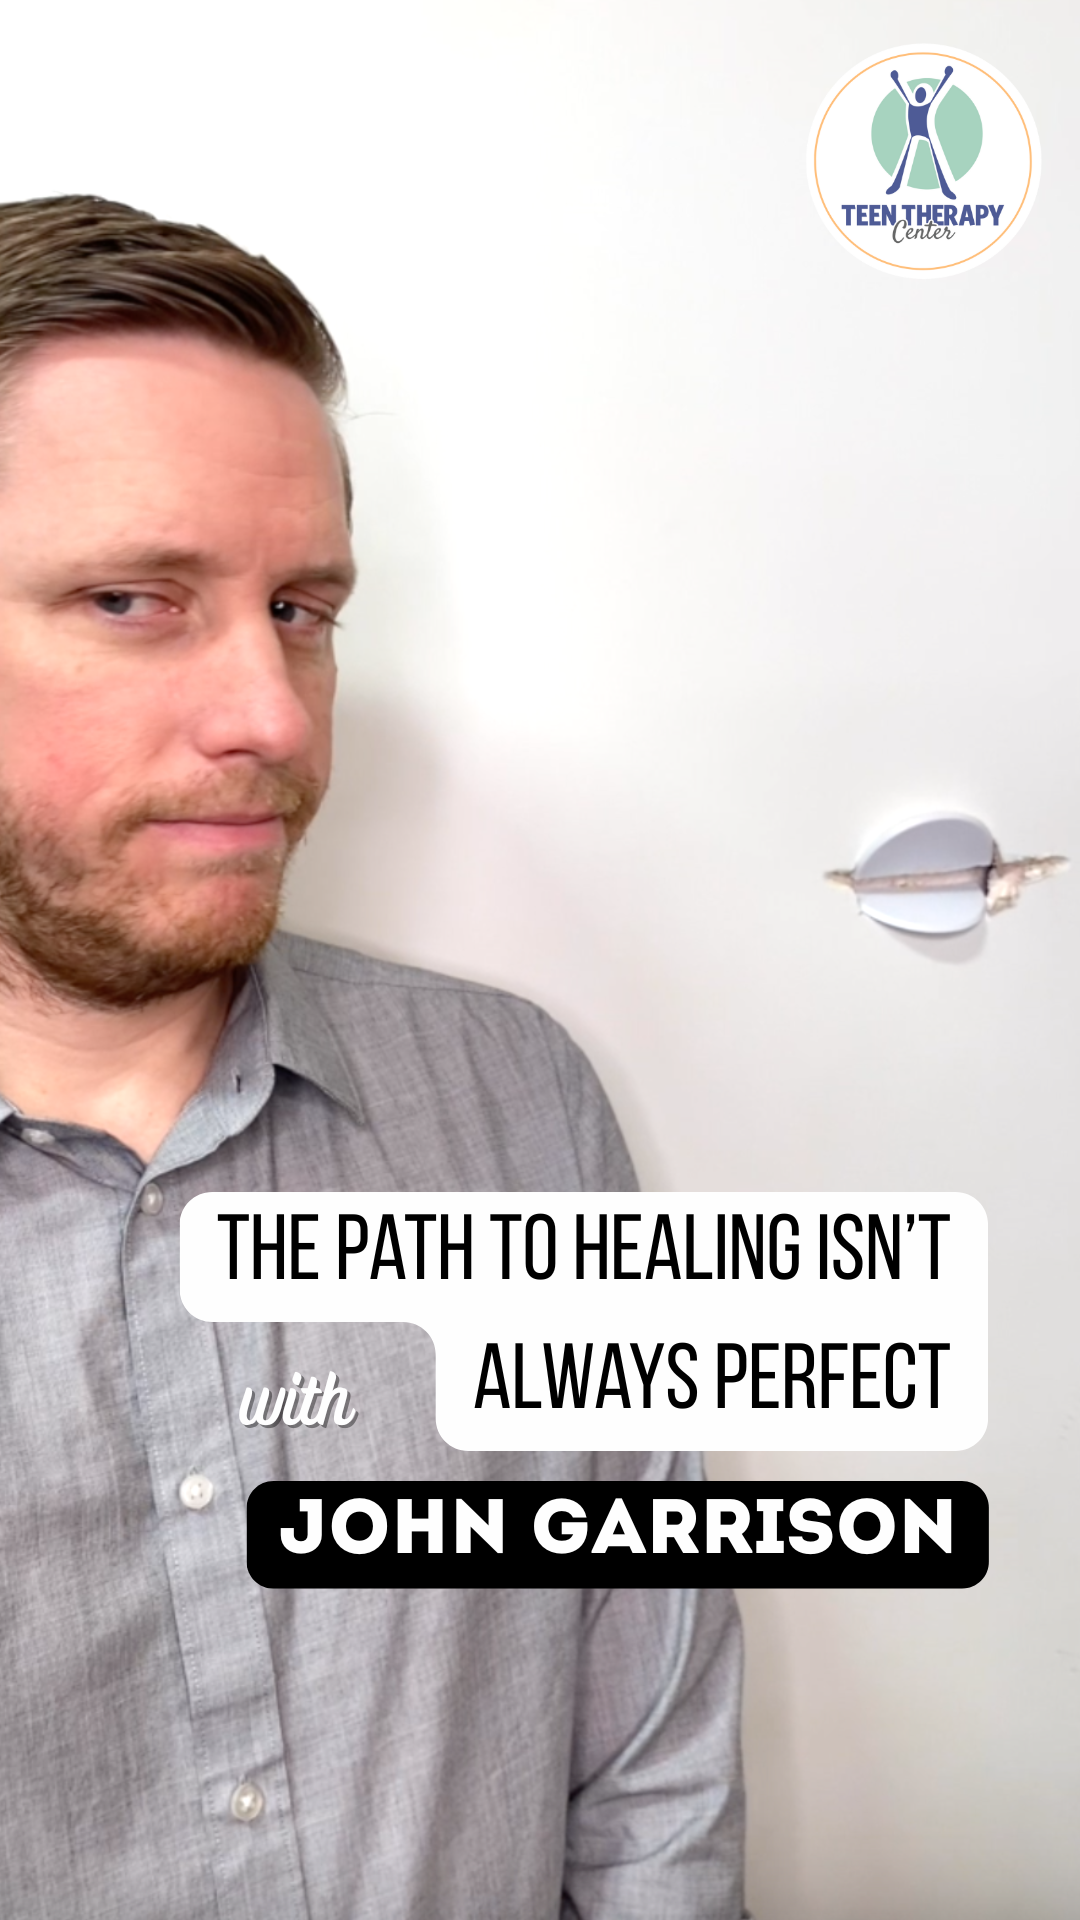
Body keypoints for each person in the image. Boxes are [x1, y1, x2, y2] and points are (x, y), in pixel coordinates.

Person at [0, 195, 746, 1919]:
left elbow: (652, 1777)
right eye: (132, 599)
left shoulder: (512, 1103)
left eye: (301, 608)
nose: (272, 714)